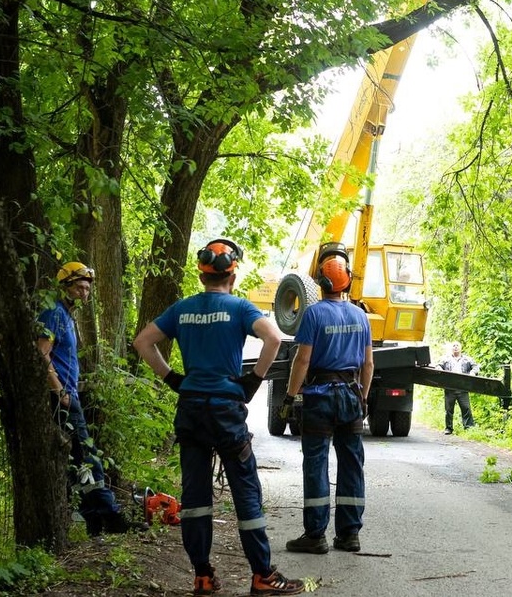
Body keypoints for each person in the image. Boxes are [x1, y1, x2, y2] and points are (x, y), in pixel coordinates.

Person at [133, 238, 305, 597]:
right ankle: (261, 575)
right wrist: (253, 380)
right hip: (226, 412)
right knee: (246, 492)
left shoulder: (182, 309)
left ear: (201, 275)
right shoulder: (239, 307)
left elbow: (143, 342)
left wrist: (172, 378)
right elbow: (274, 337)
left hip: (192, 409)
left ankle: (203, 576)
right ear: (233, 273)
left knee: (195, 496)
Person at [282, 243, 373, 555]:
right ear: (347, 281)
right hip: (350, 396)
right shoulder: (361, 317)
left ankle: (315, 535)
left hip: (320, 397)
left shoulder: (313, 315)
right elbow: (368, 364)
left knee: (316, 464)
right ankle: (349, 535)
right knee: (351, 465)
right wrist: (363, 397)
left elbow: (302, 361)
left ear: (320, 282)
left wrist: (290, 396)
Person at [36, 261, 134, 535]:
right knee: (88, 456)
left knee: (79, 460)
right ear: (65, 286)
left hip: (69, 394)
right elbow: (41, 353)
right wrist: (60, 391)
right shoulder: (53, 314)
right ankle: (111, 517)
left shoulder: (67, 315)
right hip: (62, 398)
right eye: (79, 287)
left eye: (87, 289)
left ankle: (93, 520)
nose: (84, 293)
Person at [438, 342, 479, 435]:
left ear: (461, 348)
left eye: (457, 346)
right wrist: (440, 371)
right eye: (454, 346)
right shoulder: (446, 359)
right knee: (448, 410)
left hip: (463, 387)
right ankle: (448, 428)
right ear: (451, 348)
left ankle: (468, 428)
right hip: (450, 387)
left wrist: (472, 373)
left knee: (466, 408)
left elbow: (476, 367)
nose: (455, 347)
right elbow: (438, 365)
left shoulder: (467, 359)